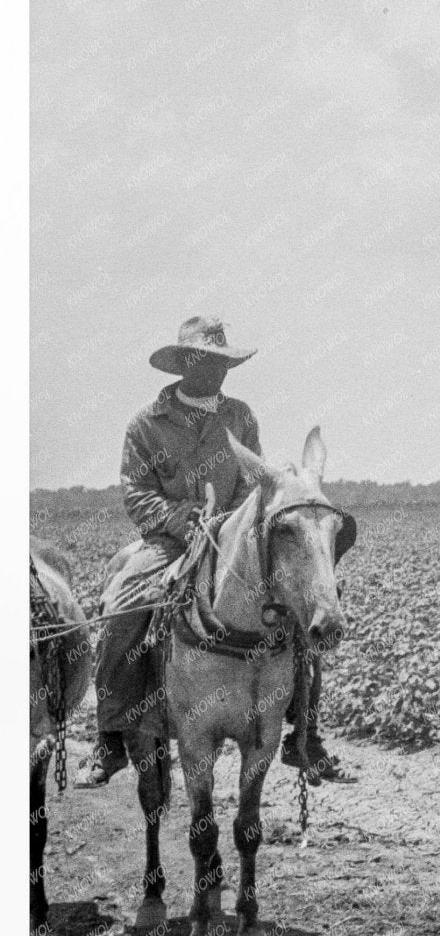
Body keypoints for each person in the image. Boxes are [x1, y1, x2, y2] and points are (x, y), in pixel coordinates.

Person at [79, 317, 345, 787]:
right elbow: (137, 491)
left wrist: (229, 521)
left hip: (232, 539)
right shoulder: (146, 423)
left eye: (224, 363)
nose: (217, 371)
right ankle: (112, 735)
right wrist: (181, 518)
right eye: (207, 361)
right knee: (121, 606)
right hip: (167, 541)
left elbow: (253, 484)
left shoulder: (240, 416)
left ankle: (305, 734)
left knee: (302, 607)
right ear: (184, 365)